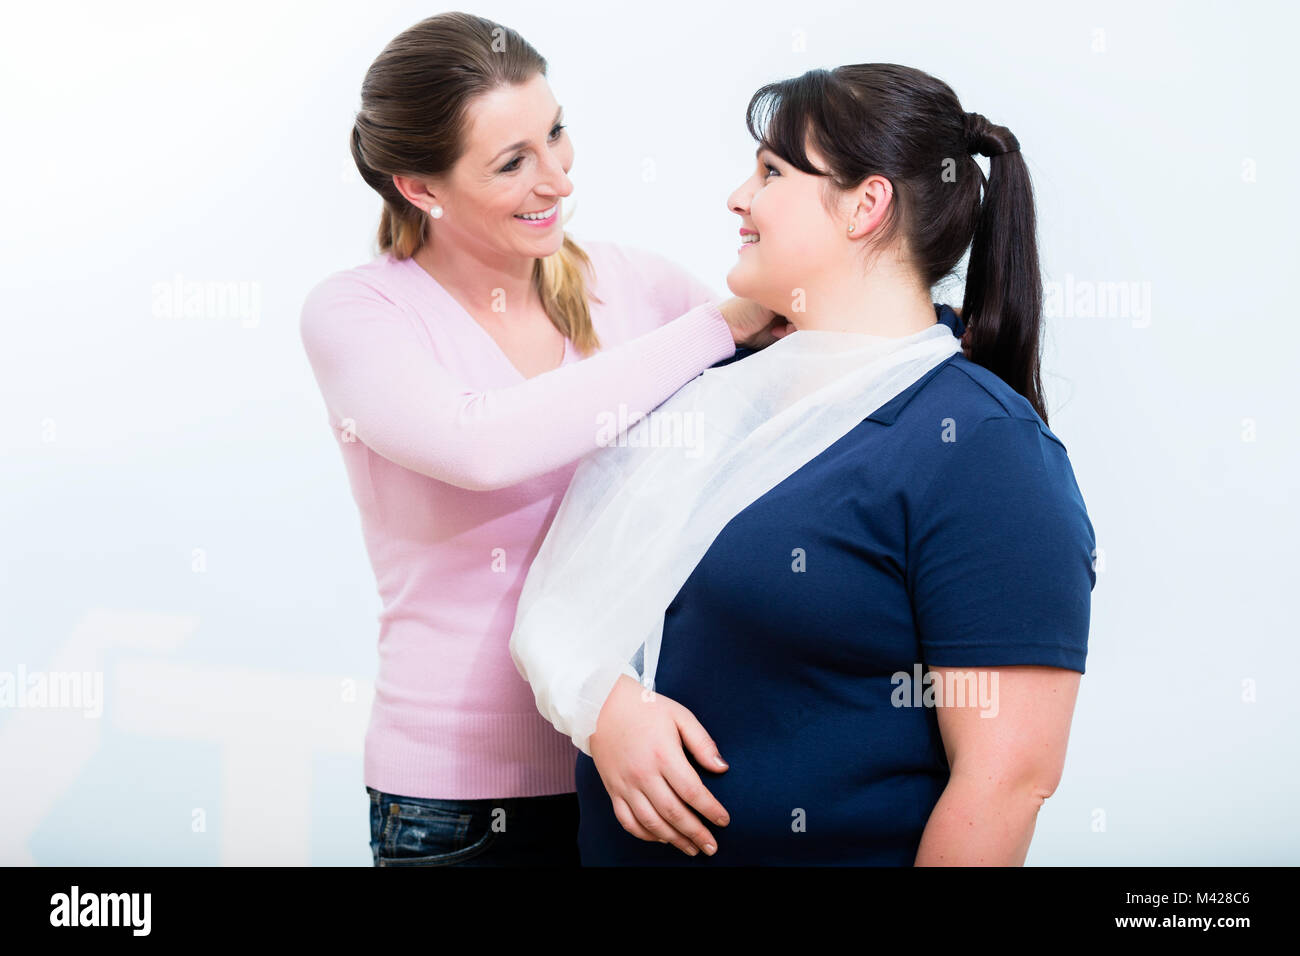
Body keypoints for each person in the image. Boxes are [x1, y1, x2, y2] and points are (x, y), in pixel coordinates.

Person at [511, 64, 1097, 865]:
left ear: (867, 205)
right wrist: (607, 706)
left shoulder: (981, 449)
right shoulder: (720, 390)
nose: (737, 198)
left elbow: (1005, 783)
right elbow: (582, 592)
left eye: (772, 173)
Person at [298, 12, 787, 866]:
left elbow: (787, 395)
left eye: (556, 134)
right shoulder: (359, 315)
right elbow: (482, 447)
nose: (557, 180)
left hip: (633, 768)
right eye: (512, 163)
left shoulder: (637, 288)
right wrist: (718, 324)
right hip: (453, 802)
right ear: (422, 189)